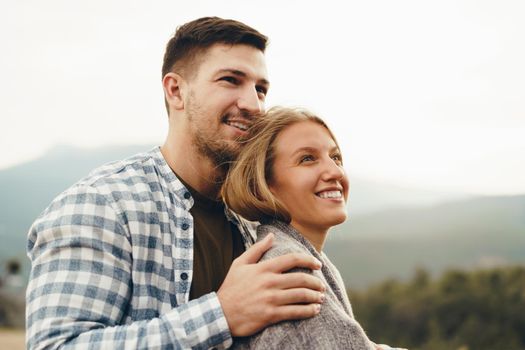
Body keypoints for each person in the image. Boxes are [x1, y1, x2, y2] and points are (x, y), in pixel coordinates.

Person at [26, 17, 326, 350]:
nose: (253, 104)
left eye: (260, 89)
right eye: (230, 80)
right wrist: (220, 315)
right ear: (176, 90)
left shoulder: (254, 220)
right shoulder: (103, 205)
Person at [223, 107, 403, 349]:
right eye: (307, 159)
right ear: (265, 184)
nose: (335, 171)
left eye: (336, 157)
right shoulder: (289, 270)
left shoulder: (301, 254)